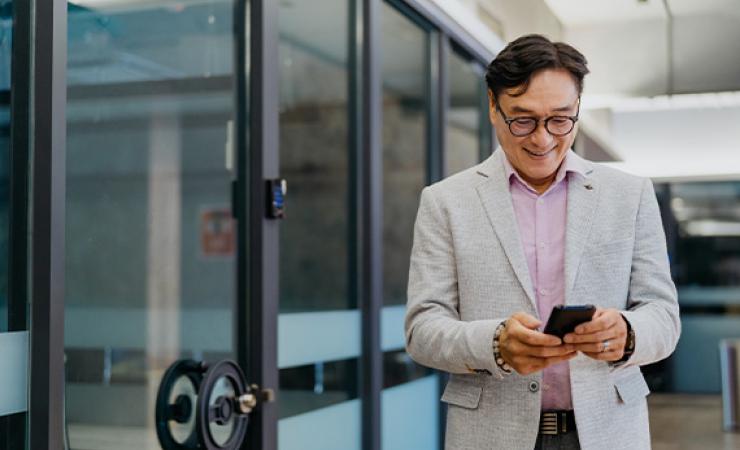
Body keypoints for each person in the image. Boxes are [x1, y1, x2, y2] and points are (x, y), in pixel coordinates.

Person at [405, 34, 680, 450]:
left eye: (560, 119)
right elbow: (422, 330)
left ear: (577, 110)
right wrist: (495, 344)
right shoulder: (446, 202)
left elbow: (664, 316)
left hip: (609, 432)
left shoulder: (630, 195)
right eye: (523, 119)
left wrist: (626, 331)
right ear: (493, 107)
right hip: (491, 435)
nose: (543, 139)